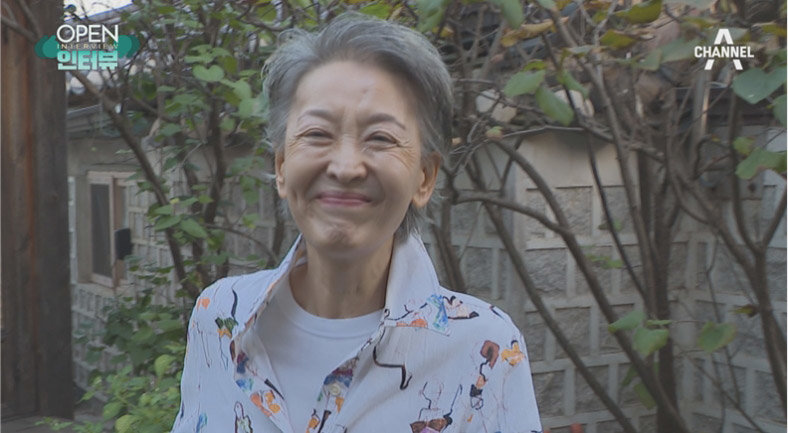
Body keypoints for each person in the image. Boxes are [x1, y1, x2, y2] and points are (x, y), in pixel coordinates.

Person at [172, 13, 542, 433]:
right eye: (317, 134)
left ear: (424, 178)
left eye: (380, 138)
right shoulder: (220, 318)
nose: (346, 167)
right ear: (281, 166)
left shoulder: (485, 349)